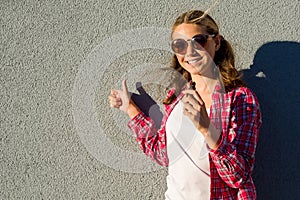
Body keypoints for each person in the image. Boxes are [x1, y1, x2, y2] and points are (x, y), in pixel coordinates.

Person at [109, 10, 262, 200]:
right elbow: (163, 154)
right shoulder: (176, 97)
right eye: (179, 45)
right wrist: (131, 109)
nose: (189, 52)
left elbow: (238, 177)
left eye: (199, 40)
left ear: (216, 42)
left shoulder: (240, 99)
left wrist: (207, 130)